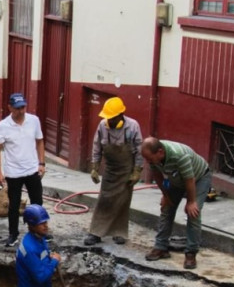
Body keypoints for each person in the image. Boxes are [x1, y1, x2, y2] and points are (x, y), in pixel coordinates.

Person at [140, 137, 212, 270]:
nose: (147, 161)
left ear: (160, 152)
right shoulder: (153, 157)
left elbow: (190, 179)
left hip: (199, 178)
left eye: (149, 158)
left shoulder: (179, 156)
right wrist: (165, 195)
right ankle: (161, 247)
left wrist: (191, 201)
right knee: (166, 208)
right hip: (176, 179)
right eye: (146, 159)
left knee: (193, 213)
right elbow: (157, 176)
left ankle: (191, 253)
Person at [85, 97, 143, 246]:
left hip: (126, 169)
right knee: (104, 199)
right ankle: (96, 232)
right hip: (110, 169)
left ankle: (119, 232)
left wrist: (137, 171)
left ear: (120, 115)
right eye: (107, 117)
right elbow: (97, 147)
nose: (109, 120)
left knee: (123, 201)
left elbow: (139, 150)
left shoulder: (132, 126)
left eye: (111, 118)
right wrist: (95, 168)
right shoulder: (102, 126)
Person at [0, 92, 46, 247]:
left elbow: (40, 141)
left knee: (37, 203)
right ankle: (13, 234)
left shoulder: (34, 120)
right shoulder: (3, 126)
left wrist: (41, 163)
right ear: (10, 108)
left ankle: (39, 232)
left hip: (32, 169)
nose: (21, 111)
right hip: (13, 172)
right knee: (14, 205)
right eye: (17, 108)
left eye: (23, 107)